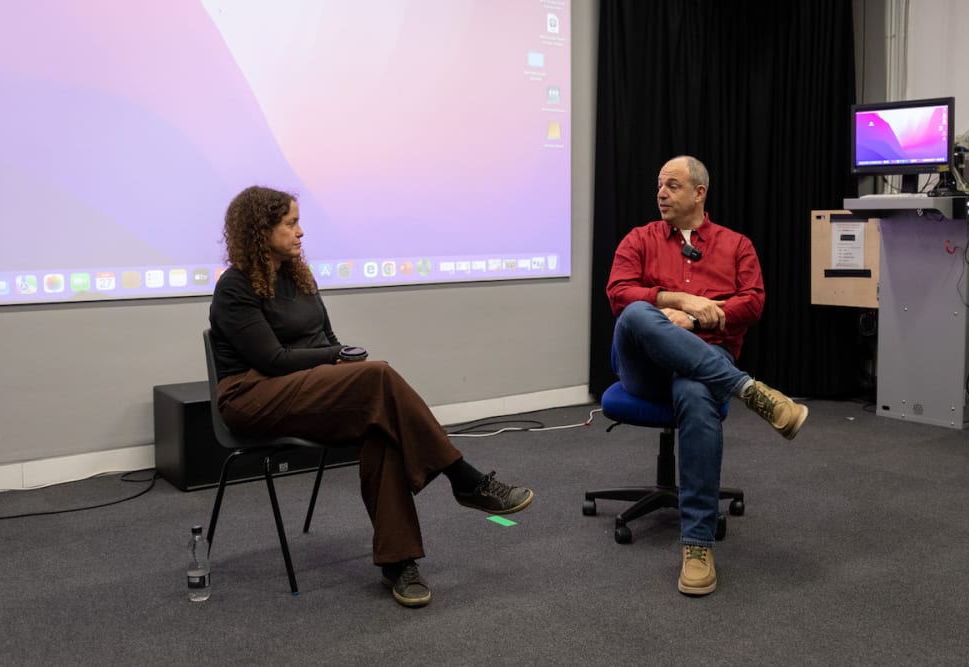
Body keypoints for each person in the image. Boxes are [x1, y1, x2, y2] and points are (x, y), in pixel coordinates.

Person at [209, 185, 534, 608]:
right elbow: (271, 359)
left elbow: (326, 339)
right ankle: (465, 479)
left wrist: (338, 358)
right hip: (251, 398)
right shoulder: (234, 287)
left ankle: (398, 562)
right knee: (377, 376)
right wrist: (336, 358)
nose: (301, 232)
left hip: (306, 392)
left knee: (383, 424)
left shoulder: (298, 278)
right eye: (290, 224)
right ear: (260, 230)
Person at [605, 155, 808, 597]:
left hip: (702, 368)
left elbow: (753, 304)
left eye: (673, 185)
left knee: (697, 396)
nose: (661, 193)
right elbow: (618, 294)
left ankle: (697, 545)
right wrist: (682, 300)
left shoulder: (736, 245)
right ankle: (750, 391)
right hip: (644, 370)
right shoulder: (639, 239)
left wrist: (696, 324)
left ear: (700, 192)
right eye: (659, 184)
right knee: (639, 311)